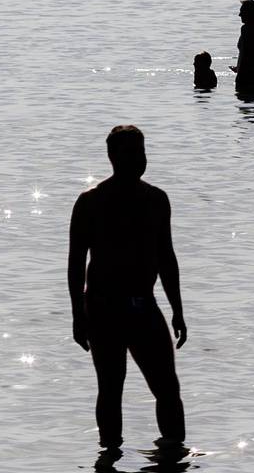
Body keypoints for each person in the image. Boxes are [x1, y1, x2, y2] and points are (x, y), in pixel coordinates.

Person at [68, 125, 186, 451]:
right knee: (110, 386)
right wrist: (78, 315)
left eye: (141, 152)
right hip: (103, 307)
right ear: (112, 157)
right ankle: (109, 458)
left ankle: (172, 460)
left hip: (143, 304)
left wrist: (177, 309)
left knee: (167, 388)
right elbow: (76, 264)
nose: (137, 159)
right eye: (129, 153)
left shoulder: (156, 200)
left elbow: (166, 258)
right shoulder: (90, 202)